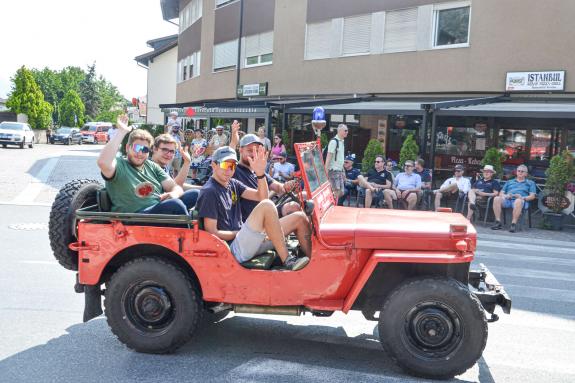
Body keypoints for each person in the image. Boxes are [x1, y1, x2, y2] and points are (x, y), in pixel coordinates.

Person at [195, 145, 310, 271]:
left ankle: (312, 265)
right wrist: (238, 232)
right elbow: (212, 233)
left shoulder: (232, 184)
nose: (229, 170)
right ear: (214, 165)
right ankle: (288, 260)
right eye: (225, 165)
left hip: (248, 241)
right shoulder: (209, 191)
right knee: (267, 205)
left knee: (300, 218)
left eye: (232, 166)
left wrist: (260, 175)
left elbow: (262, 196)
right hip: (234, 248)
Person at [97, 114, 188, 215]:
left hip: (155, 209)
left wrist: (174, 194)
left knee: (195, 195)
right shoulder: (119, 165)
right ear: (128, 148)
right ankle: (191, 230)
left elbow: (176, 187)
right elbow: (103, 162)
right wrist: (121, 132)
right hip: (134, 217)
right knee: (175, 205)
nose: (140, 153)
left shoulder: (152, 166)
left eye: (144, 150)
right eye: (137, 148)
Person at [233, 133, 303, 220]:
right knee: (299, 216)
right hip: (251, 218)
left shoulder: (257, 170)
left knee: (300, 200)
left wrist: (286, 186)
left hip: (265, 212)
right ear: (240, 150)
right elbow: (226, 159)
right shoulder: (234, 171)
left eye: (257, 151)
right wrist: (233, 141)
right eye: (250, 150)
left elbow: (277, 186)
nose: (253, 154)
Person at [150, 134, 201, 209]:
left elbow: (176, 185)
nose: (168, 154)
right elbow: (178, 185)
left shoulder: (164, 167)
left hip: (168, 202)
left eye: (172, 151)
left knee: (200, 193)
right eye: (164, 150)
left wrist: (205, 188)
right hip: (155, 206)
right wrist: (187, 163)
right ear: (154, 149)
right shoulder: (149, 166)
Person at [491, 164, 536, 232]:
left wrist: (522, 197)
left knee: (518, 201)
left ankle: (513, 224)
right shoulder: (509, 181)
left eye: (522, 171)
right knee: (497, 198)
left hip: (522, 201)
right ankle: (498, 222)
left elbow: (532, 196)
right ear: (516, 172)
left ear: (526, 174)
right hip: (508, 200)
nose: (520, 172)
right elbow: (501, 193)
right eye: (519, 171)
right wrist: (506, 196)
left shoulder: (530, 183)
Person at [325, 124, 348, 201]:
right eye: (345, 130)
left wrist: (343, 171)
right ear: (339, 131)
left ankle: (331, 202)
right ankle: (332, 205)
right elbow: (329, 156)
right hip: (333, 170)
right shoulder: (334, 142)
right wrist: (326, 170)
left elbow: (340, 159)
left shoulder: (341, 141)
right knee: (336, 191)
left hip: (339, 170)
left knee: (341, 192)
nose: (347, 132)